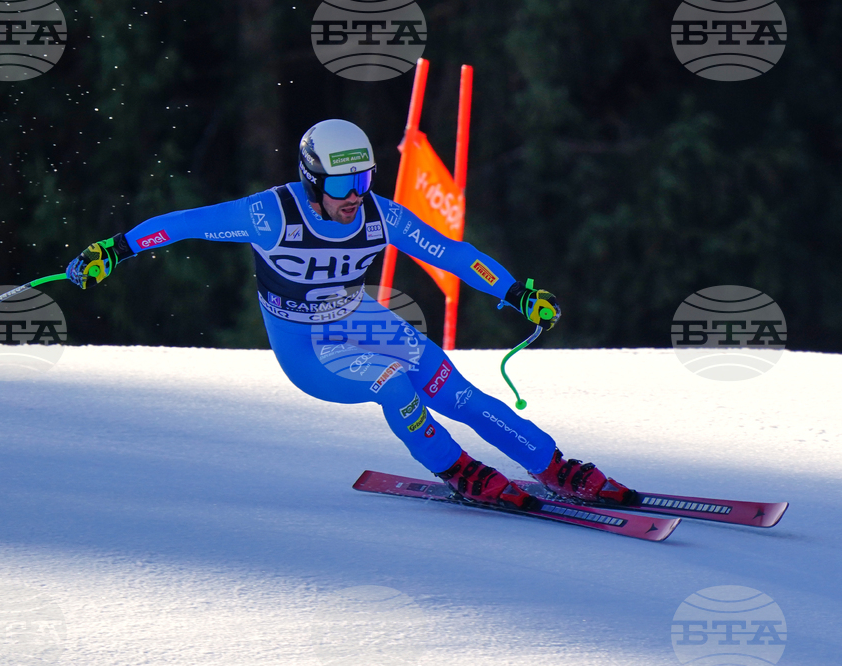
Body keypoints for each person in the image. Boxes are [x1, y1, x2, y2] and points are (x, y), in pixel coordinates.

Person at [65, 119, 633, 508]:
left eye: (362, 180)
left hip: (359, 320)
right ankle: (460, 471)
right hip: (308, 350)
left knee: (456, 391)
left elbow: (453, 254)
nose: (354, 194)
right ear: (313, 179)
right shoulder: (271, 215)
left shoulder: (380, 216)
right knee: (395, 386)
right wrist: (113, 250)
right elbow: (184, 223)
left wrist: (516, 292)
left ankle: (552, 465)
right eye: (341, 183)